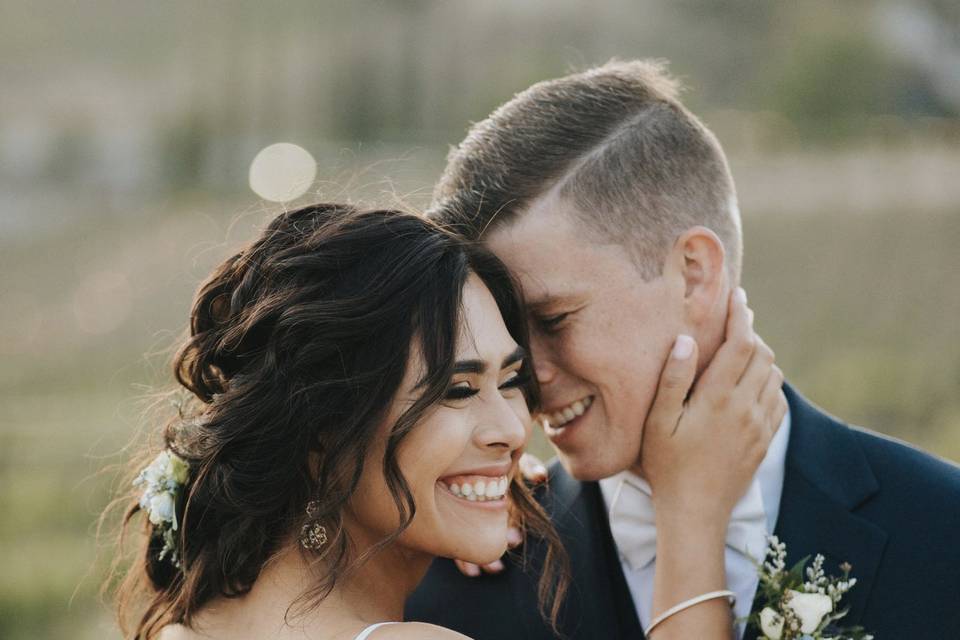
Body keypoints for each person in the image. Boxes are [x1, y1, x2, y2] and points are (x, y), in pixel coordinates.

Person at [406, 60, 960, 638]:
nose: (531, 376)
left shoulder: (944, 533)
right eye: (509, 334)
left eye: (554, 319)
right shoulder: (460, 578)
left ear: (693, 274)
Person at [107, 203, 781, 640]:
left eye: (510, 382)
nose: (514, 431)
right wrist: (689, 515)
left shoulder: (195, 624)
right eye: (457, 390)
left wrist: (457, 495)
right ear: (323, 426)